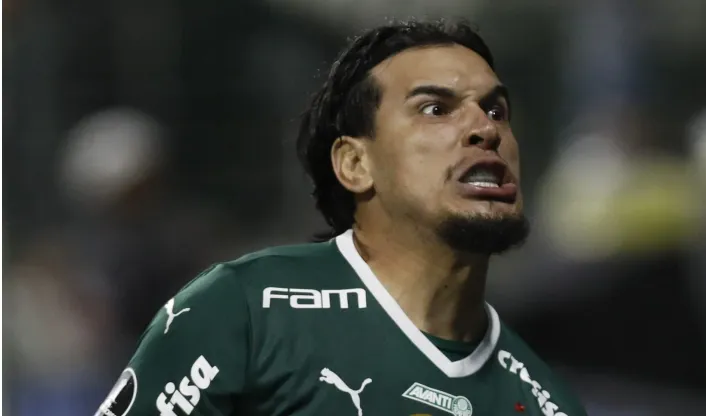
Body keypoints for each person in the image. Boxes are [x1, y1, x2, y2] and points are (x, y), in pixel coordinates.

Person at [96, 19, 587, 416]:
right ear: (355, 164)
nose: (484, 129)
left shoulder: (548, 403)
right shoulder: (244, 313)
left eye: (497, 111)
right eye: (436, 108)